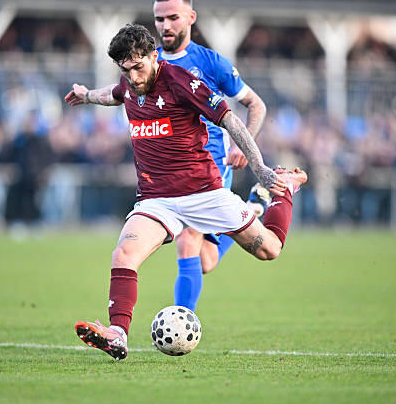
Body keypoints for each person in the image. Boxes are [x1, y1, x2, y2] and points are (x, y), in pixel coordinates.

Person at [64, 24, 306, 360]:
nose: (133, 77)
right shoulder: (129, 84)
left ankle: (284, 188)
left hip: (204, 193)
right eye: (125, 69)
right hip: (156, 199)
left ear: (154, 56)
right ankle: (117, 334)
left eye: (138, 67)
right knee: (124, 254)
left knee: (270, 250)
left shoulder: (181, 82)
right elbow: (114, 94)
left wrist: (261, 168)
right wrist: (87, 95)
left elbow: (231, 121)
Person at [152, 0, 268, 312]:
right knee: (205, 260)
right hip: (172, 171)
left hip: (210, 165)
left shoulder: (212, 63)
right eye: (159, 19)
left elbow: (256, 104)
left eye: (173, 17)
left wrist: (242, 145)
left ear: (191, 17)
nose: (165, 25)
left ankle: (181, 321)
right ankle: (252, 209)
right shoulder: (150, 63)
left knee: (188, 239)